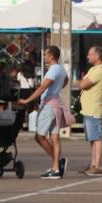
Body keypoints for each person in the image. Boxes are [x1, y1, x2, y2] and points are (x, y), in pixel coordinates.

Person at [16, 45, 70, 179]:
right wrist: (57, 89)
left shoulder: (54, 69)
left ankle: (57, 163)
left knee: (39, 136)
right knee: (54, 137)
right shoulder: (61, 69)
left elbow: (42, 87)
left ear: (52, 56)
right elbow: (66, 80)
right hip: (57, 103)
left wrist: (27, 100)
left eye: (46, 54)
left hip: (49, 104)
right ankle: (56, 167)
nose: (44, 56)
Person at [76, 45, 102, 176]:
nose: (88, 56)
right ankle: (93, 164)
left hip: (94, 108)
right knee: (92, 138)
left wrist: (81, 81)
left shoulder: (100, 71)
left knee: (96, 137)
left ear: (97, 56)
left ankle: (98, 166)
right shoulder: (93, 69)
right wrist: (82, 82)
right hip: (88, 109)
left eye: (90, 54)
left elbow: (82, 84)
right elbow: (83, 83)